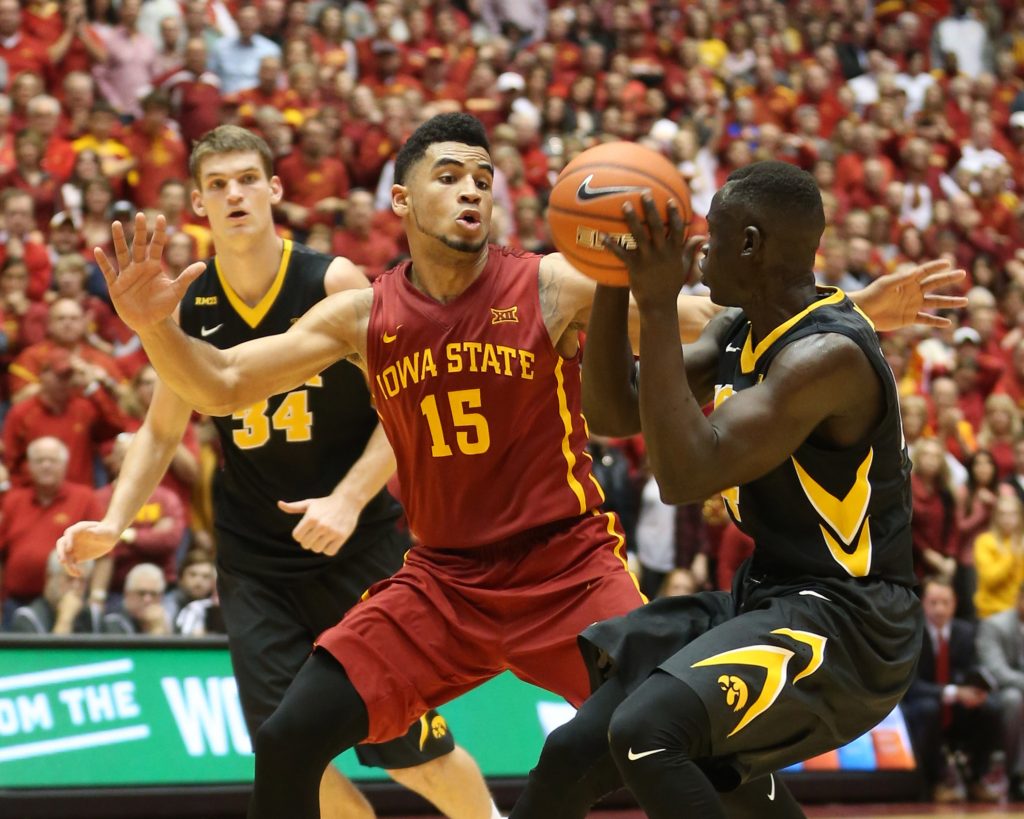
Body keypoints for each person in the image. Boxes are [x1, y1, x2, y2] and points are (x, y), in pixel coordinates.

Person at [67, 115, 963, 819]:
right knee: (291, 736)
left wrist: (851, 306)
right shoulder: (362, 314)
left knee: (675, 736)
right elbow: (220, 383)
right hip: (441, 582)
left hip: (566, 567)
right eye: (447, 175)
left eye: (483, 179)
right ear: (401, 201)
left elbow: (712, 315)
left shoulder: (549, 283)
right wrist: (154, 326)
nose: (470, 191)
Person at [58, 124, 498, 819]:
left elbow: (407, 410)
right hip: (256, 558)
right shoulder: (190, 303)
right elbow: (163, 426)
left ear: (274, 190)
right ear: (198, 204)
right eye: (216, 185)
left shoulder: (331, 281)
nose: (233, 194)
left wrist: (349, 499)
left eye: (244, 180)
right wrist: (114, 521)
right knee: (283, 747)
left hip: (357, 548)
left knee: (412, 748)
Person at [509, 160, 927, 818]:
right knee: (576, 749)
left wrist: (654, 298)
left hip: (852, 623)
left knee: (648, 733)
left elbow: (683, 476)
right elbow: (615, 412)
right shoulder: (737, 327)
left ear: (752, 244)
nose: (699, 245)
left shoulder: (828, 357)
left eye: (715, 230)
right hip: (769, 595)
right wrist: (614, 284)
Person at [900, 577, 1001, 803]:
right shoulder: (910, 633)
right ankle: (934, 783)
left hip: (956, 709)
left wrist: (977, 690)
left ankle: (977, 779)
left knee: (991, 707)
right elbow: (910, 685)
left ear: (954, 603)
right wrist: (954, 692)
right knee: (929, 709)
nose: (940, 609)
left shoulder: (965, 632)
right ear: (923, 604)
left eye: (945, 602)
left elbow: (973, 669)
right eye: (934, 602)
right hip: (919, 704)